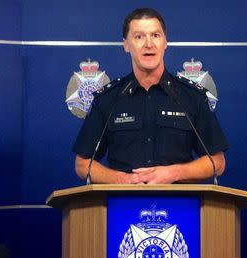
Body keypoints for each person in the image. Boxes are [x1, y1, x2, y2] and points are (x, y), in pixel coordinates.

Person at [73, 8, 228, 184]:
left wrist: (173, 173)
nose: (149, 44)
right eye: (139, 37)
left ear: (165, 42)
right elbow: (83, 164)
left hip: (179, 206)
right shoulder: (108, 99)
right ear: (126, 45)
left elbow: (217, 162)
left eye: (155, 35)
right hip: (122, 205)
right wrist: (125, 180)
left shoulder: (192, 97)